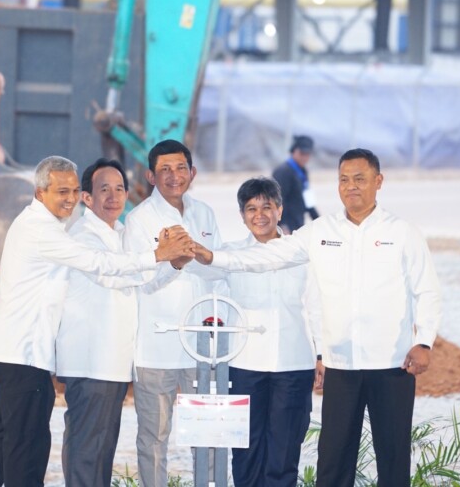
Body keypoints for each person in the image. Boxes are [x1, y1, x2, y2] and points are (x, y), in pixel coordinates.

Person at [195, 148, 442, 487]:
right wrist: (211, 256)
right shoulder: (319, 231)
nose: (351, 186)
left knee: (393, 455)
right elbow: (267, 256)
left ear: (378, 181)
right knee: (333, 460)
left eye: (359, 179)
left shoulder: (403, 232)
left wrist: (424, 341)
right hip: (341, 367)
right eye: (344, 179)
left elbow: (427, 289)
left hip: (392, 363)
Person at [0, 155, 193, 487]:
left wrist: (168, 262)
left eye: (72, 190)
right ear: (40, 192)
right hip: (24, 353)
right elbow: (98, 264)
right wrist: (157, 254)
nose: (70, 198)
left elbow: (127, 275)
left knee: (3, 435)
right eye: (62, 191)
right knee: (26, 444)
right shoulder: (43, 230)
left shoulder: (52, 226)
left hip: (19, 352)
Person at [56, 158, 170, 487]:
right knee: (86, 451)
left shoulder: (120, 234)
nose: (114, 196)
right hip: (90, 363)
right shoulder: (82, 236)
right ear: (86, 197)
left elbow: (143, 280)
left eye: (119, 189)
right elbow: (111, 273)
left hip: (113, 364)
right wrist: (157, 255)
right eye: (104, 189)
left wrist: (173, 261)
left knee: (102, 451)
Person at [123, 139, 225, 487]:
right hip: (156, 349)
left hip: (201, 348)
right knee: (154, 438)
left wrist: (193, 257)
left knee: (206, 435)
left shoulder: (204, 213)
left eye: (181, 168)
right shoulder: (138, 220)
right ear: (151, 176)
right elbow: (142, 282)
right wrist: (176, 263)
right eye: (164, 169)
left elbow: (218, 270)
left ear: (192, 172)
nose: (174, 175)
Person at [218, 177, 320, 487]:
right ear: (242, 215)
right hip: (244, 365)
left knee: (284, 454)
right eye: (251, 208)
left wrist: (321, 355)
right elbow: (201, 273)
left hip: (294, 365)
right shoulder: (229, 255)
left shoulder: (301, 253)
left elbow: (317, 305)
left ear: (280, 210)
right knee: (245, 452)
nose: (259, 215)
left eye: (267, 207)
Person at [272, 135, 319, 233]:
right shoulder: (283, 171)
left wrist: (318, 220)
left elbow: (307, 198)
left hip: (298, 222)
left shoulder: (303, 171)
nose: (304, 157)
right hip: (285, 226)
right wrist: (281, 225)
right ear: (293, 151)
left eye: (307, 154)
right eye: (302, 153)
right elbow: (276, 200)